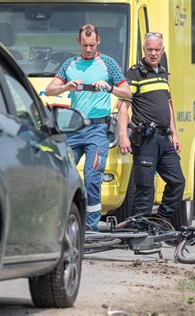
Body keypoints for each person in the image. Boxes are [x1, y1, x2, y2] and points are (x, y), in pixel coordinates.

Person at [45, 24, 131, 231]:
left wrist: (110, 87)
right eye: (85, 45)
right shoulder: (70, 64)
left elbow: (128, 94)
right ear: (79, 43)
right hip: (74, 128)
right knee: (63, 174)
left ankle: (90, 228)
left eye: (92, 45)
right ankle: (63, 223)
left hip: (97, 130)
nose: (89, 49)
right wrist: (66, 87)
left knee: (93, 177)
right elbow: (49, 90)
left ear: (98, 42)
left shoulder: (107, 64)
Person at [118, 32, 185, 224]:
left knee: (178, 182)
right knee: (145, 189)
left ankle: (160, 220)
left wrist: (175, 135)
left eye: (157, 49)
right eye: (150, 49)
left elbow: (168, 106)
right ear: (144, 50)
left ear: (162, 51)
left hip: (165, 139)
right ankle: (139, 231)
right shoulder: (135, 73)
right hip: (146, 139)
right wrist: (123, 135)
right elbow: (124, 106)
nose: (153, 53)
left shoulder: (163, 73)